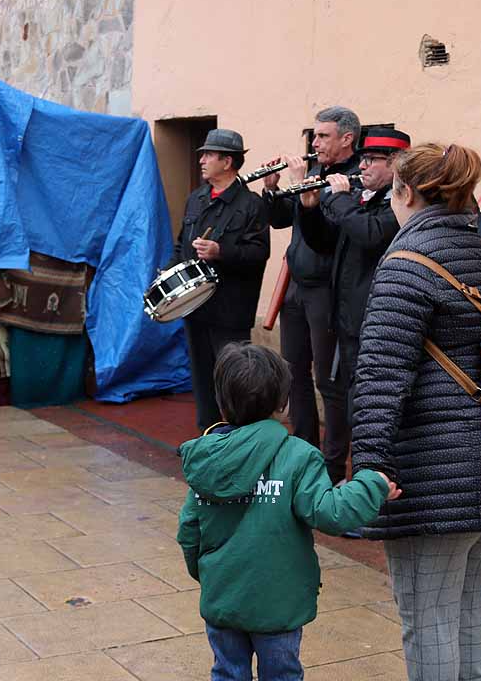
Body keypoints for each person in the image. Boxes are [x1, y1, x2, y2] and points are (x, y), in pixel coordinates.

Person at [351, 143, 481, 681]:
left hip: (440, 472)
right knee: (467, 609)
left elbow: (379, 377)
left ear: (407, 191)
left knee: (426, 615)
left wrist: (368, 465)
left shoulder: (407, 263)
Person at [177, 342, 400, 681]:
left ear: (221, 403)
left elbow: (189, 530)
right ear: (283, 404)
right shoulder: (298, 456)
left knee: (227, 672)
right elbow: (331, 512)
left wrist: (209, 575)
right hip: (279, 604)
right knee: (281, 674)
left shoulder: (205, 459)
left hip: (223, 597)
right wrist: (373, 484)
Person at [296, 126, 409, 485]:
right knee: (346, 401)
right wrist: (311, 209)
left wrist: (339, 199)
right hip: (346, 321)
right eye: (362, 159)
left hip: (376, 326)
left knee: (370, 411)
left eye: (372, 159)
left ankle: (371, 486)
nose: (363, 167)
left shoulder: (402, 204)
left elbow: (371, 234)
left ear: (396, 163)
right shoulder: (366, 198)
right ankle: (342, 479)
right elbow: (326, 242)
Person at [260, 106, 360, 478]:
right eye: (314, 136)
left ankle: (333, 467)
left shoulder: (352, 180)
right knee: (293, 372)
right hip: (296, 290)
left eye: (323, 136)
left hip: (327, 293)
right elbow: (284, 219)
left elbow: (323, 239)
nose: (314, 143)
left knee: (329, 382)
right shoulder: (317, 171)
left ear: (347, 139)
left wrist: (309, 196)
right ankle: (303, 456)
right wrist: (272, 191)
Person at [170, 129, 270, 430]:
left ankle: (239, 438)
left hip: (230, 309)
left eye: (208, 155)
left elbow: (259, 253)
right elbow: (180, 244)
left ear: (227, 162)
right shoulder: (196, 199)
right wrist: (169, 272)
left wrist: (220, 251)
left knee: (235, 377)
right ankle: (208, 437)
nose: (201, 160)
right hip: (195, 305)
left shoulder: (251, 204)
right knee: (201, 376)